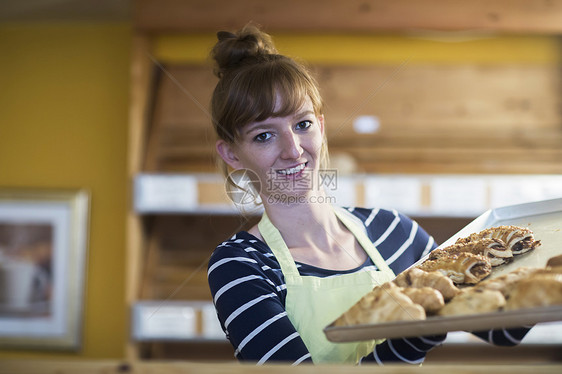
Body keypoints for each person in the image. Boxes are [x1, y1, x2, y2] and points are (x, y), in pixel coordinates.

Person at [206, 24, 530, 365]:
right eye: (263, 136)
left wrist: (538, 277)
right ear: (231, 154)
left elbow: (499, 326)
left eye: (302, 125)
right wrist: (406, 344)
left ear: (321, 126)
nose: (293, 149)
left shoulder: (393, 231)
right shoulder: (241, 264)